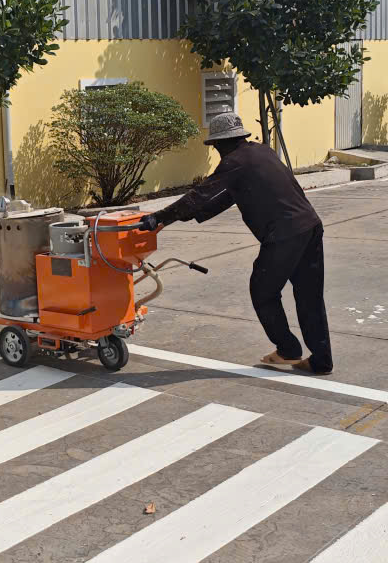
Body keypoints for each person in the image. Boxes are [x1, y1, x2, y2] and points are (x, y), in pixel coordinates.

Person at [140, 112, 333, 375]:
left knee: (262, 290)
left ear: (221, 143)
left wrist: (159, 218)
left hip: (284, 234)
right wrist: (185, 216)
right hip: (310, 226)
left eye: (216, 146)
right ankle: (321, 361)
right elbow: (228, 196)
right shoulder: (261, 152)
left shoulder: (235, 162)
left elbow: (201, 194)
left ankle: (288, 349)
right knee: (309, 296)